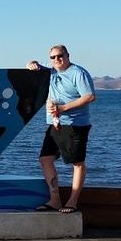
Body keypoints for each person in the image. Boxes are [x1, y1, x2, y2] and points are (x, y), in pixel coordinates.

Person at [27, 44, 96, 213]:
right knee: (45, 159)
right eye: (53, 57)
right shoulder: (52, 72)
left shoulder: (78, 73)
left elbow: (90, 96)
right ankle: (55, 200)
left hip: (75, 124)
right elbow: (35, 67)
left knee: (77, 163)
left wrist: (63, 108)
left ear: (67, 55)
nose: (57, 59)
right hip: (55, 124)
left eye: (60, 56)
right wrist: (32, 63)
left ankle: (72, 201)